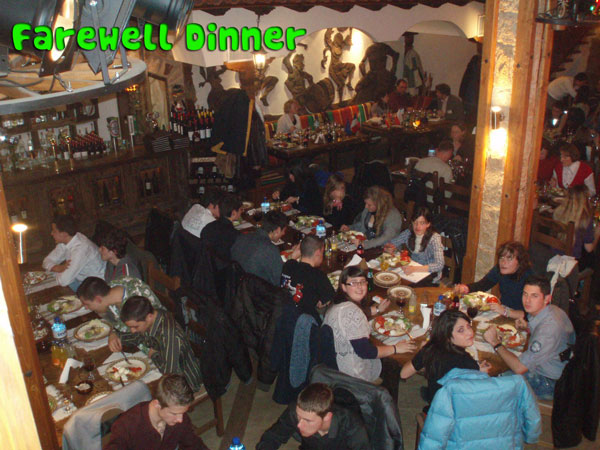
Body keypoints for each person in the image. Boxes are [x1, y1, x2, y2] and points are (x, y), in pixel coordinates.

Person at [483, 275, 575, 400]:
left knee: (494, 379)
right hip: (561, 369)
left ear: (547, 298)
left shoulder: (549, 329)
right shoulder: (552, 310)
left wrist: (495, 342)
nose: (527, 300)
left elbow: (519, 368)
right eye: (525, 294)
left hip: (550, 383)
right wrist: (527, 327)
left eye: (534, 296)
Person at [323, 266, 415, 384]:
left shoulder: (338, 302)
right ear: (344, 287)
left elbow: (354, 315)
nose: (360, 287)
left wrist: (377, 309)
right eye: (353, 283)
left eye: (362, 282)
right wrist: (396, 348)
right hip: (351, 374)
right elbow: (366, 352)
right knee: (392, 364)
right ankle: (383, 394)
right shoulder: (352, 312)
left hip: (334, 365)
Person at [400, 309, 490, 411]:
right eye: (461, 330)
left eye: (468, 326)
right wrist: (480, 372)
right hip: (453, 408)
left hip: (435, 398)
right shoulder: (467, 362)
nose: (469, 332)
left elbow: (404, 374)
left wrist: (422, 355)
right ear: (448, 337)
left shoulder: (430, 349)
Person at [120, 296, 203, 392]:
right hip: (169, 369)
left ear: (149, 317)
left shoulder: (170, 336)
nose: (132, 331)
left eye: (135, 327)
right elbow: (140, 337)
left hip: (185, 384)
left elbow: (169, 375)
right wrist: (119, 337)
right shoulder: (156, 315)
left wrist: (154, 355)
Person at [105, 374, 208, 450]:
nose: (180, 419)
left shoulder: (181, 419)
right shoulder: (126, 425)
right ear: (157, 404)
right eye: (174, 414)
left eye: (183, 413)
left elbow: (194, 445)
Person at [256, 383, 370, 449]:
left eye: (307, 420)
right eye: (299, 417)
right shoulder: (297, 411)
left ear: (327, 417)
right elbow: (273, 436)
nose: (299, 425)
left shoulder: (354, 428)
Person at [76, 276, 165, 354]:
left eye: (87, 304)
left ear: (98, 299)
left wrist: (154, 349)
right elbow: (116, 324)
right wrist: (114, 333)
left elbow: (160, 323)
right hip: (134, 343)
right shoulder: (110, 295)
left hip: (158, 346)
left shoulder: (138, 295)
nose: (86, 308)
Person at [454, 241, 532, 316]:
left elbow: (530, 314)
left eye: (509, 258)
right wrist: (466, 288)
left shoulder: (529, 278)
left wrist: (505, 311)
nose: (503, 262)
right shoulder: (499, 269)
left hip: (519, 319)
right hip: (503, 313)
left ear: (520, 262)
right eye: (501, 258)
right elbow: (482, 285)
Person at [42, 214, 105, 291]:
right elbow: (46, 261)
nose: (51, 233)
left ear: (64, 233)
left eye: (54, 231)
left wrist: (55, 270)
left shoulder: (81, 248)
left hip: (96, 287)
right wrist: (58, 268)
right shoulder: (67, 240)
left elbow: (63, 281)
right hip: (81, 281)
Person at [231, 210, 295, 286]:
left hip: (236, 284)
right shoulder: (270, 250)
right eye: (284, 231)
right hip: (255, 290)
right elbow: (279, 282)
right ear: (277, 230)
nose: (284, 233)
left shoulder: (242, 237)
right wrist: (292, 258)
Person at [281, 235, 335, 323]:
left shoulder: (288, 265)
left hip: (285, 315)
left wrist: (294, 255)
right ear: (318, 253)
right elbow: (326, 301)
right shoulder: (318, 275)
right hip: (305, 322)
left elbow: (291, 260)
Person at [384, 207, 445, 284]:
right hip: (412, 272)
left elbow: (439, 264)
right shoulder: (408, 233)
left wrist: (414, 269)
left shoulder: (435, 238)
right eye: (415, 222)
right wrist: (389, 247)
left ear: (428, 224)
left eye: (422, 223)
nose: (418, 226)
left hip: (429, 275)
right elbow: (391, 243)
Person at [553, 185, 600, 267]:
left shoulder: (558, 213)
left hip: (554, 256)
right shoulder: (585, 219)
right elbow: (589, 249)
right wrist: (597, 233)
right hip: (572, 263)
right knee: (593, 258)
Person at [200, 193, 242, 263]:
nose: (241, 212)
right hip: (224, 267)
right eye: (241, 210)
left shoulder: (207, 227)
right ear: (234, 213)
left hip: (206, 266)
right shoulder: (235, 235)